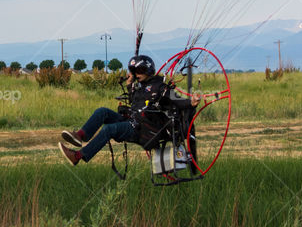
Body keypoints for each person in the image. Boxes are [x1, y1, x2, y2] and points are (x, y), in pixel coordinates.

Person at [58, 54, 201, 165]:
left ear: (148, 70)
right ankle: (80, 136)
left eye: (139, 70)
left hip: (142, 129)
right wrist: (129, 85)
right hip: (132, 121)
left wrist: (191, 102)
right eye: (133, 70)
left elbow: (177, 100)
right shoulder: (140, 87)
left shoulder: (160, 87)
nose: (136, 74)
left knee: (108, 129)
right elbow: (134, 103)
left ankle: (78, 156)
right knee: (102, 112)